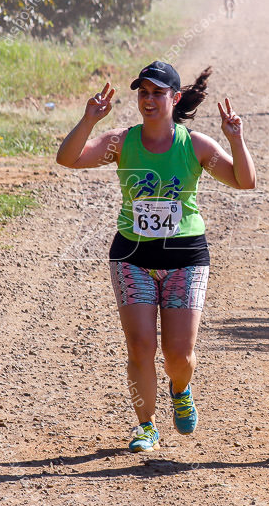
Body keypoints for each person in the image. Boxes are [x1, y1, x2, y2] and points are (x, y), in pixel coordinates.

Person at [55, 62, 257, 453]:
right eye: (143, 92)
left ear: (174, 98)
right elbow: (68, 158)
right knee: (140, 347)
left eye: (157, 93)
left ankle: (180, 389)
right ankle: (145, 425)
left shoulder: (194, 145)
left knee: (178, 355)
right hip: (132, 255)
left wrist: (235, 139)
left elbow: (245, 181)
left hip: (186, 257)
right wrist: (88, 120)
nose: (148, 100)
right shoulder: (120, 142)